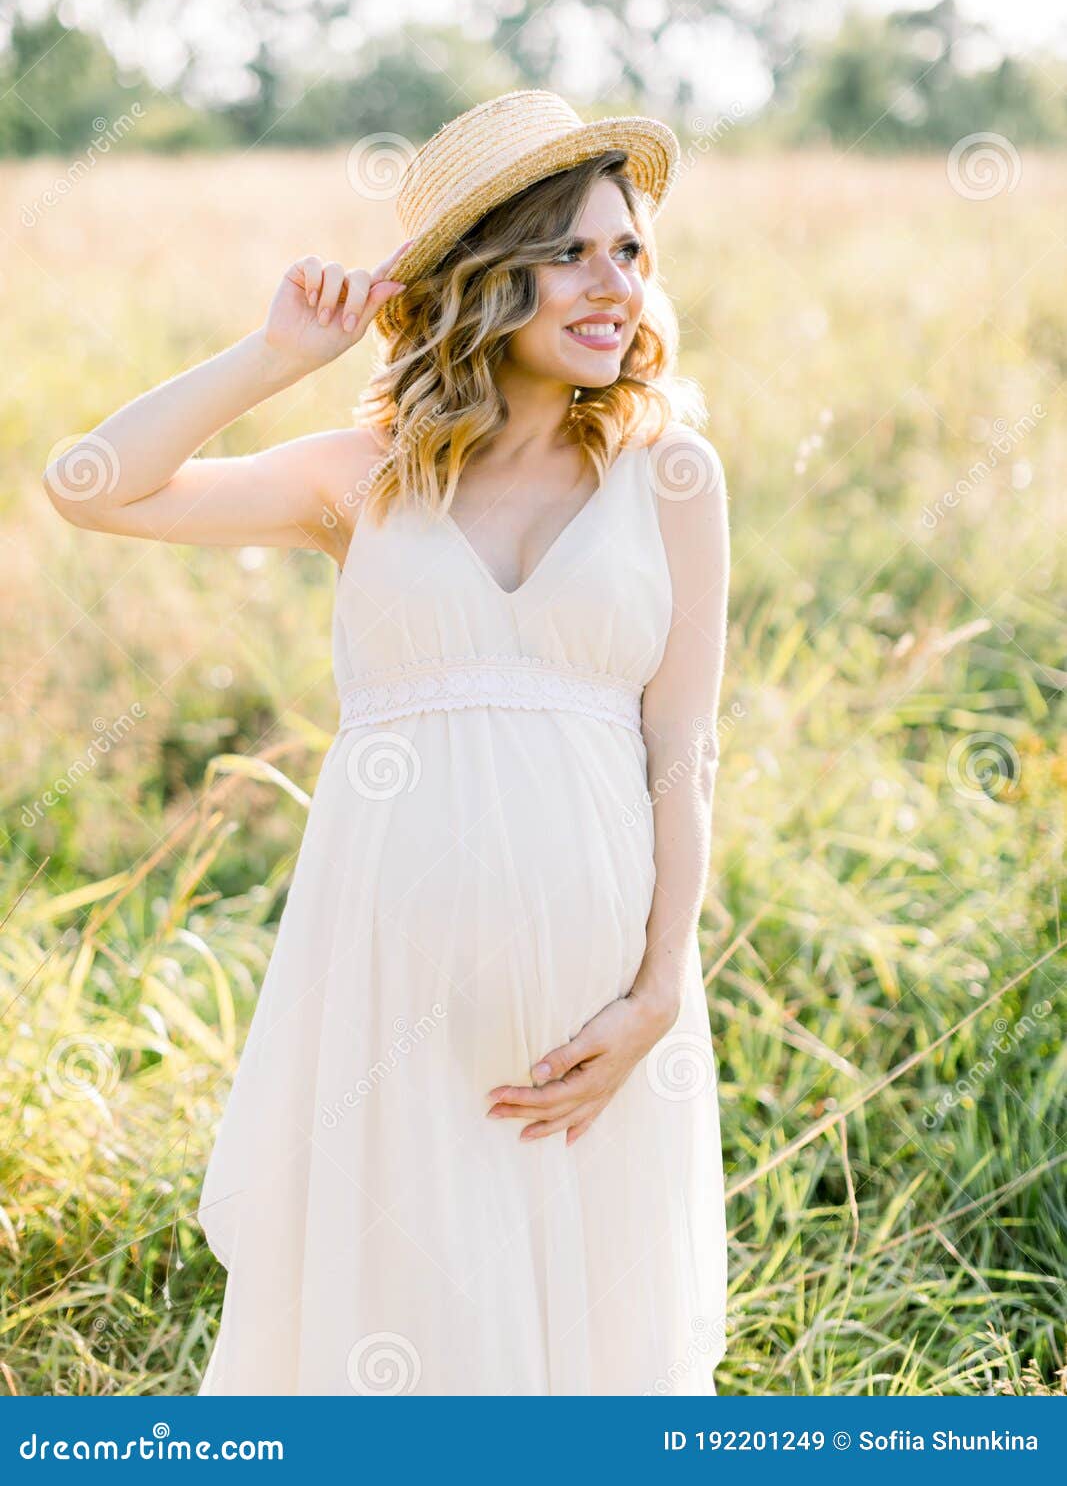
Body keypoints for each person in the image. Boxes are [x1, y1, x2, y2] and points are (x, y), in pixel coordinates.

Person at [43, 89, 731, 1396]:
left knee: (590, 1359)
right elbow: (92, 486)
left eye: (630, 251)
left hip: (598, 1026)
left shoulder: (672, 476)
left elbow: (681, 747)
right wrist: (272, 354)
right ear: (486, 276)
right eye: (570, 251)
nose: (612, 284)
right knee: (404, 1343)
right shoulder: (369, 473)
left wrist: (655, 995)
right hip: (390, 1011)